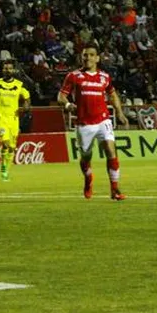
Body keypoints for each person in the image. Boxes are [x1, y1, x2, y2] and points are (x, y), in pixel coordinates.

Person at [58, 47, 129, 200]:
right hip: (84, 123)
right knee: (86, 156)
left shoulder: (104, 77)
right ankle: (88, 178)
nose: (88, 58)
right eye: (85, 55)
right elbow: (61, 96)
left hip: (103, 119)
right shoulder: (73, 76)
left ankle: (115, 189)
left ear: (97, 58)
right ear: (81, 58)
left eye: (91, 55)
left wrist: (120, 113)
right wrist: (68, 105)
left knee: (111, 151)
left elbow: (113, 94)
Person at [0, 60, 31, 181]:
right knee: (5, 144)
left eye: (9, 68)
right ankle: (3, 167)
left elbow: (27, 97)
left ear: (13, 70)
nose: (7, 70)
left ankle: (6, 170)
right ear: (2, 70)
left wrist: (26, 106)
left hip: (14, 120)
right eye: (5, 68)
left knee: (12, 147)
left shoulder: (19, 85)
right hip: (1, 118)